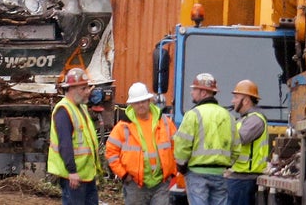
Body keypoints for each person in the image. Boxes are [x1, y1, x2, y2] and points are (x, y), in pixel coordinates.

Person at [106, 82, 180, 205]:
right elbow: (111, 153)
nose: (141, 105)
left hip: (161, 183)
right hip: (135, 185)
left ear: (149, 101)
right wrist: (124, 175)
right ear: (131, 105)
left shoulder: (165, 122)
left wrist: (173, 171)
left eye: (143, 101)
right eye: (137, 102)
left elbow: (177, 147)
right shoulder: (123, 126)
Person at [174, 73, 232, 205]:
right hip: (220, 173)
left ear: (204, 92)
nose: (191, 93)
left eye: (194, 89)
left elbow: (182, 144)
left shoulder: (193, 115)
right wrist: (226, 164)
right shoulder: (227, 116)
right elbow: (236, 145)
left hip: (196, 174)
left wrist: (181, 166)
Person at [47, 67, 103, 205]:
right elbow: (65, 144)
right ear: (72, 89)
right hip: (74, 176)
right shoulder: (63, 110)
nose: (87, 92)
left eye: (87, 88)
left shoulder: (80, 108)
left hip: (86, 175)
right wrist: (72, 171)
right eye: (83, 88)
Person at [226, 79, 269, 205]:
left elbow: (238, 140)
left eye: (236, 97)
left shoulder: (255, 120)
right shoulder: (244, 119)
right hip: (239, 177)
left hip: (244, 179)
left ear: (245, 100)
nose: (232, 101)